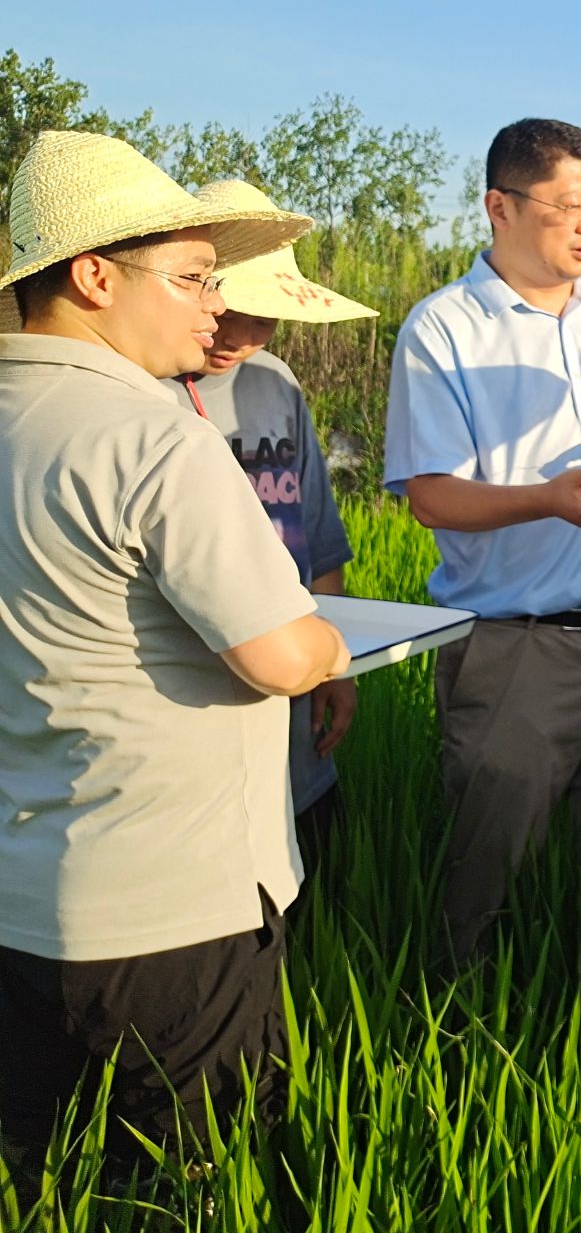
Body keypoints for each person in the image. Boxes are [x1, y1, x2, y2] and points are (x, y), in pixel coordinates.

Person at [0, 132, 347, 1168]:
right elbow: (280, 656)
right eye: (194, 277)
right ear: (96, 276)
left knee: (42, 1180)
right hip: (168, 911)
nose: (214, 302)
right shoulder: (155, 439)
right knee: (194, 1182)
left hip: (22, 898)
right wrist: (330, 639)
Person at [384, 117, 581, 966]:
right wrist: (545, 502)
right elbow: (430, 495)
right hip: (515, 648)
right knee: (487, 861)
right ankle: (452, 1025)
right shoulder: (444, 329)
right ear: (500, 206)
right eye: (570, 207)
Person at [169, 188, 380, 880]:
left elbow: (316, 534)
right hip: (193, 701)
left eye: (268, 319)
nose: (244, 337)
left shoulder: (275, 384)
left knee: (318, 881)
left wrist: (335, 667)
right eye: (233, 312)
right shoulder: (145, 397)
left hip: (295, 692)